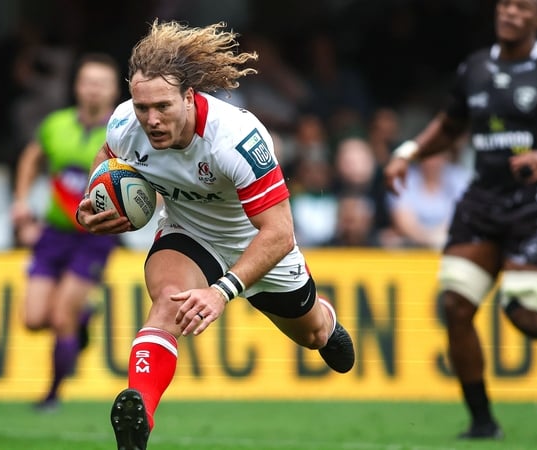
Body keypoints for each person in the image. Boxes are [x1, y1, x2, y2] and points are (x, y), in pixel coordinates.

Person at [74, 20, 355, 450]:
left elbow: (279, 232)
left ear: (189, 97)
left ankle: (325, 319)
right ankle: (139, 414)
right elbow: (108, 159)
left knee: (312, 334)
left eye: (163, 107)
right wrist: (94, 200)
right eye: (141, 107)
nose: (150, 119)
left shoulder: (234, 138)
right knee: (168, 303)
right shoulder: (125, 124)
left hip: (257, 243)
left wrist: (222, 292)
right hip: (189, 234)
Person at [383, 0, 537, 440]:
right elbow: (450, 125)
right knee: (455, 305)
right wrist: (407, 153)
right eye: (505, 4)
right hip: (482, 203)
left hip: (533, 207)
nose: (510, 12)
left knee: (523, 312)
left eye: (522, 7)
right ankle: (483, 422)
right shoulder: (474, 69)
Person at [11, 52, 122, 412]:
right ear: (77, 86)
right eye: (88, 82)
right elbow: (32, 157)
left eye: (101, 84)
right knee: (32, 320)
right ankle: (85, 317)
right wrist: (21, 201)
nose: (93, 90)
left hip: (95, 238)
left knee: (60, 318)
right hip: (54, 233)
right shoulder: (55, 125)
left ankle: (52, 395)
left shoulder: (123, 132)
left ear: (112, 90)